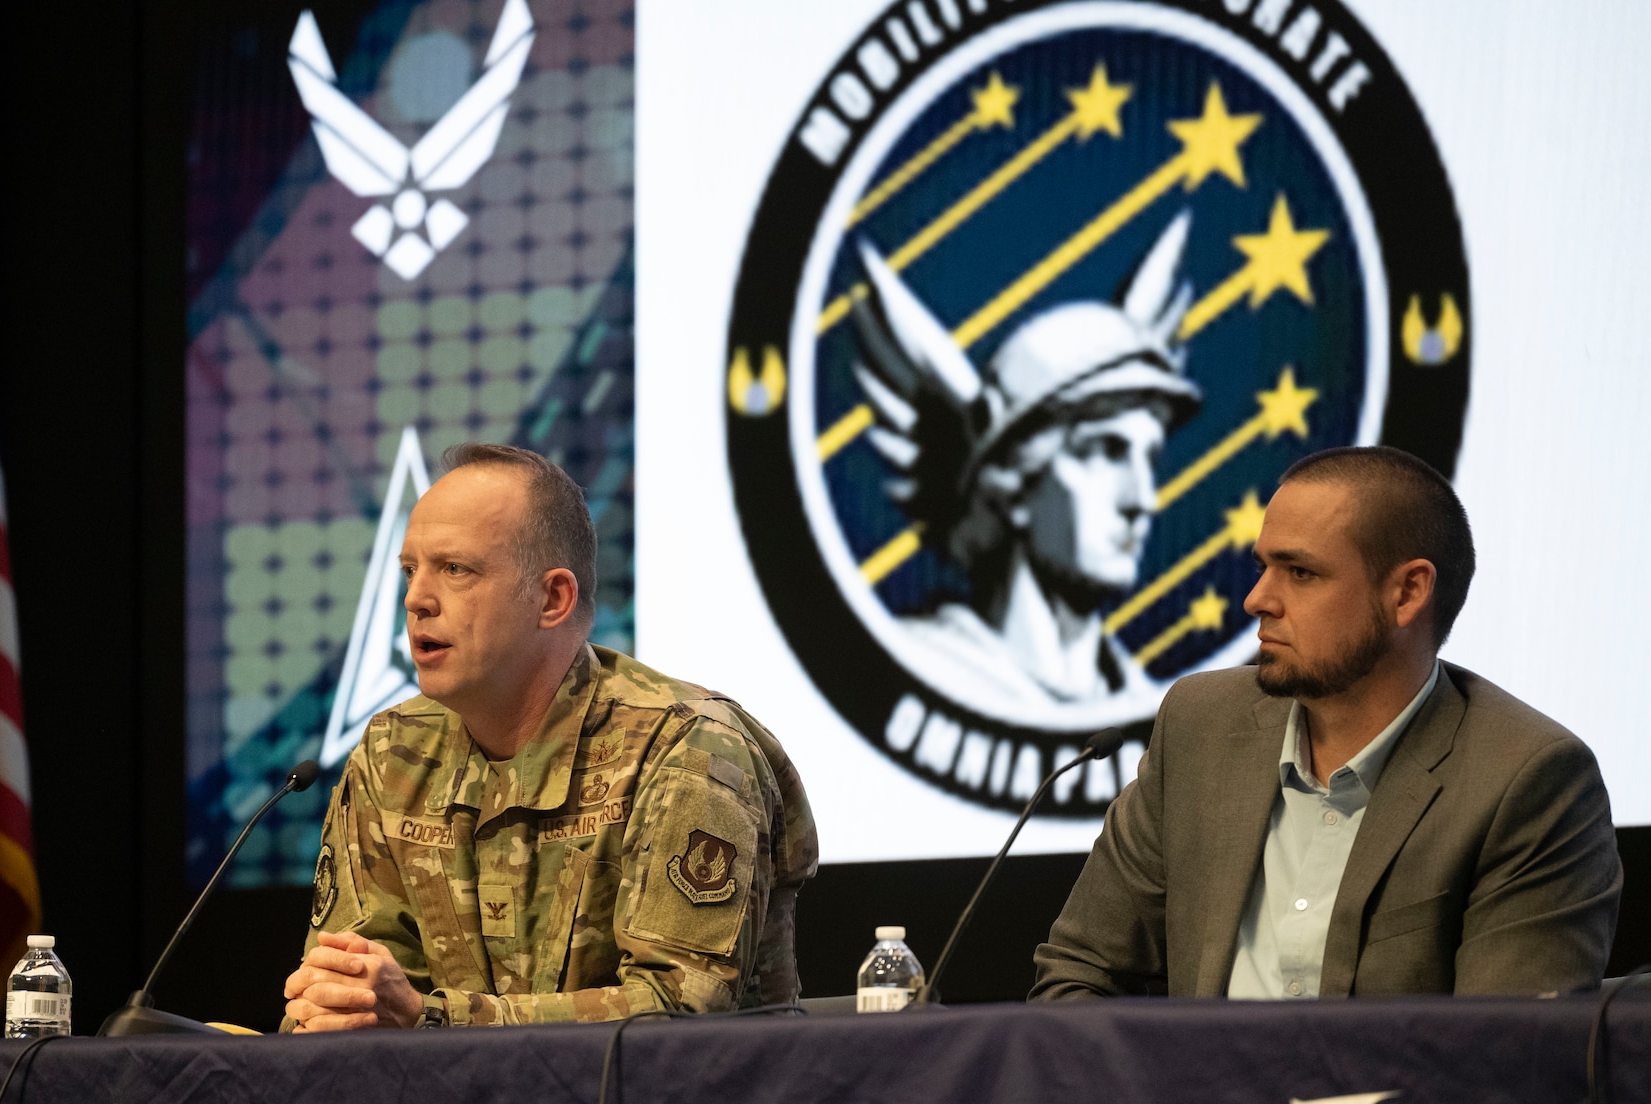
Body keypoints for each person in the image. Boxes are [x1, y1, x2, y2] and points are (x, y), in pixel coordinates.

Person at [1031, 446, 1621, 1000]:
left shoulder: (1527, 780)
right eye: (1263, 567)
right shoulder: (1199, 725)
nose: (1257, 600)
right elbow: (1078, 975)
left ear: (1408, 593)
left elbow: (1505, 1063)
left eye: (1300, 573)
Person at [282, 444, 817, 1030]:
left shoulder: (686, 750)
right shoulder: (392, 755)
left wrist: (433, 1018)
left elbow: (677, 1011)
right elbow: (357, 992)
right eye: (412, 570)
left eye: (456, 569)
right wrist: (340, 1007)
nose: (415, 599)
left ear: (552, 599)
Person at [853, 212, 1200, 706]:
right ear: (1014, 484)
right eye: (1106, 451)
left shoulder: (1156, 710)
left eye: (1150, 457)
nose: (1143, 500)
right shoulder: (921, 668)